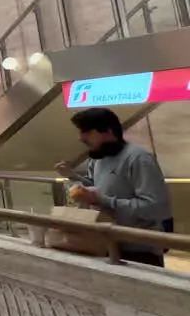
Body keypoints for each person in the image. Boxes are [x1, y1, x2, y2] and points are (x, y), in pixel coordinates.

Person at [55, 107, 173, 266]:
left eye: (87, 131)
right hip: (103, 244)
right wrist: (72, 176)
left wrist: (103, 200)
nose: (80, 138)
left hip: (139, 251)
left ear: (108, 131)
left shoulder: (139, 159)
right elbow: (99, 187)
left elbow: (155, 207)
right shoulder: (98, 159)